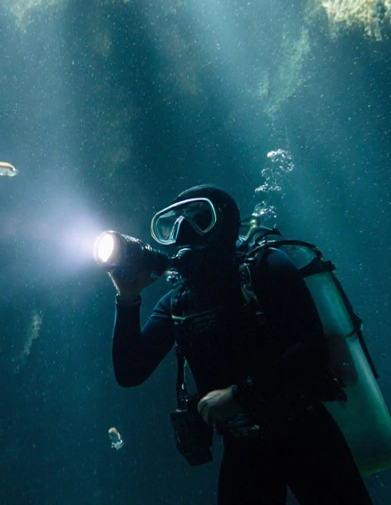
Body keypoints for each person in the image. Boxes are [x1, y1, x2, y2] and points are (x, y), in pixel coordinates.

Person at [110, 185, 375, 505]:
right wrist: (127, 298)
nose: (183, 232)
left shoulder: (266, 267)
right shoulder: (178, 303)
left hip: (306, 432)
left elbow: (311, 352)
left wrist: (240, 395)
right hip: (244, 447)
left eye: (199, 219)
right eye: (172, 225)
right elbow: (130, 371)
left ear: (225, 222)